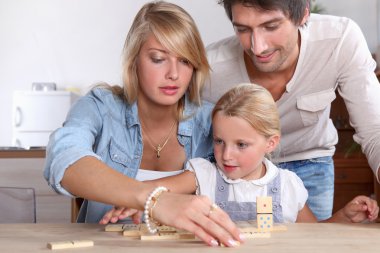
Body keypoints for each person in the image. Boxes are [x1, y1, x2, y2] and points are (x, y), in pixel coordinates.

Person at [43, 1, 243, 247]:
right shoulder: (100, 107)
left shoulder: (214, 120)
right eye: (158, 59)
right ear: (134, 60)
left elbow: (250, 176)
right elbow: (63, 158)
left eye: (185, 61)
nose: (174, 74)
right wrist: (154, 199)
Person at [201, 0, 380, 221]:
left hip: (310, 162)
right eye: (243, 29)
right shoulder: (210, 68)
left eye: (271, 26)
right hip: (236, 172)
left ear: (303, 14)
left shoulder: (339, 40)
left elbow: (375, 129)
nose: (258, 48)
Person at [101, 84, 379, 224]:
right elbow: (154, 189)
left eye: (241, 145)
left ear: (271, 143)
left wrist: (344, 216)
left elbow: (315, 237)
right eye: (220, 141)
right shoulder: (204, 174)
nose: (226, 155)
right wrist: (136, 198)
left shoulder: (288, 185)